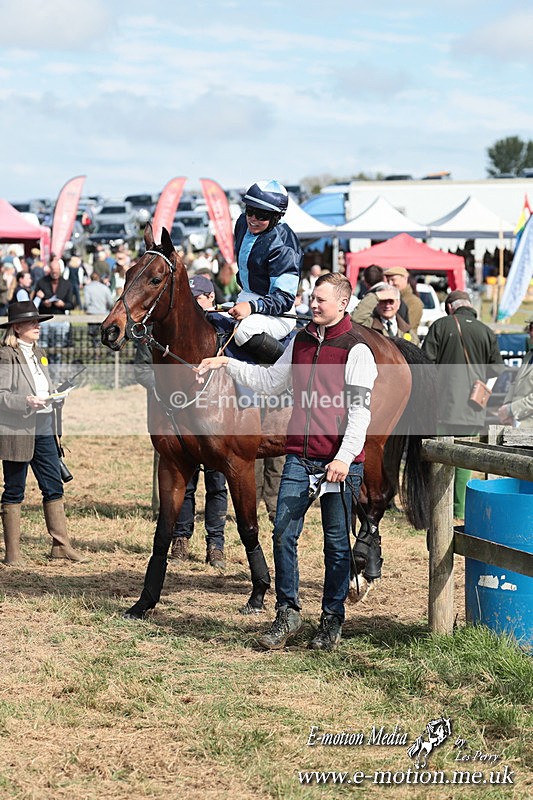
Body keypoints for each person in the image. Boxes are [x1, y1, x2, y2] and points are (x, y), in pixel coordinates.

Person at [196, 273, 378, 651]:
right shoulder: (301, 341)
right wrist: (226, 364)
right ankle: (287, 613)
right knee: (282, 533)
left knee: (336, 545)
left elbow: (361, 413)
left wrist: (344, 458)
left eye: (321, 300)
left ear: (343, 303)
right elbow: (269, 382)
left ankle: (331, 620)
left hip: (339, 465)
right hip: (300, 457)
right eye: (312, 298)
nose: (313, 305)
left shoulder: (357, 350)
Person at [0, 301, 87, 565]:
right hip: (18, 429)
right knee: (14, 489)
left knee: (53, 485)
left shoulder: (39, 353)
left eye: (38, 321)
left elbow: (41, 387)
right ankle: (13, 553)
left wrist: (55, 395)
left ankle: (60, 546)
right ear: (17, 327)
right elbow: (2, 395)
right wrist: (26, 401)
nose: (37, 325)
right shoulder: (6, 355)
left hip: (45, 425)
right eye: (32, 322)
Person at [422, 290, 503, 520]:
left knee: (439, 457)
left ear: (450, 307)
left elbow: (425, 364)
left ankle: (436, 510)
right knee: (464, 461)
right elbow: (497, 369)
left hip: (442, 406)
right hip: (474, 407)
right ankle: (459, 510)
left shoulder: (440, 325)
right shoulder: (486, 331)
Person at [169, 274, 228, 568]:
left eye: (199, 299)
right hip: (185, 416)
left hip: (217, 417)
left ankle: (216, 544)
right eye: (189, 300)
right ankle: (181, 538)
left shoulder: (225, 327)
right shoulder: (180, 333)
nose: (193, 305)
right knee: (187, 482)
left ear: (211, 297)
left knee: (217, 484)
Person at [230, 179, 303, 363]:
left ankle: (286, 371)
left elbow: (284, 298)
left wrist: (252, 306)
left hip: (277, 312)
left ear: (276, 217)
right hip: (246, 297)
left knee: (243, 331)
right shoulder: (241, 223)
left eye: (262, 215)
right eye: (250, 210)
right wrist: (247, 303)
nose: (253, 219)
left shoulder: (284, 245)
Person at [33, 256, 74, 362]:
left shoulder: (67, 284)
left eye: (56, 270)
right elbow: (35, 302)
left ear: (60, 270)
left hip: (60, 320)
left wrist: (62, 304)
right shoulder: (41, 282)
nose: (54, 273)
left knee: (58, 347)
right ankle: (43, 367)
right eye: (53, 270)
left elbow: (71, 304)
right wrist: (44, 303)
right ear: (49, 270)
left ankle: (56, 368)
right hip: (45, 319)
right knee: (43, 346)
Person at [497, 316, 533, 428]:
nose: (530, 332)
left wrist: (511, 410)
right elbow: (516, 382)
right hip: (519, 425)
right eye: (530, 327)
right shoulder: (529, 355)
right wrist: (507, 405)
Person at [384, 267, 424, 334]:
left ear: (405, 278)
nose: (390, 284)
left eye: (393, 280)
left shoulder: (413, 302)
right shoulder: (390, 298)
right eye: (388, 281)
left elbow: (407, 328)